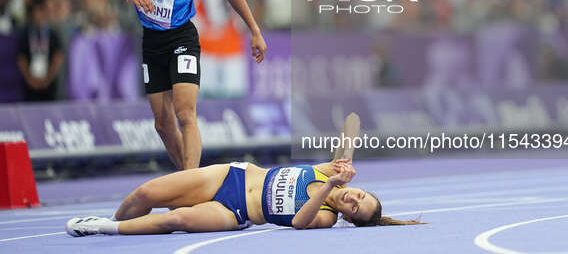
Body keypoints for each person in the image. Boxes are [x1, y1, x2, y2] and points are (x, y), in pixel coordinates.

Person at [88, 0, 266, 170]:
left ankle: (192, 182)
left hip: (182, 38)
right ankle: (188, 179)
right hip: (152, 42)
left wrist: (254, 29)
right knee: (162, 123)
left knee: (185, 113)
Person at [66, 114, 424, 236]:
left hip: (236, 212)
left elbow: (298, 223)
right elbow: (352, 120)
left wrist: (330, 184)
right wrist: (345, 159)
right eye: (361, 195)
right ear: (358, 187)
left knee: (175, 219)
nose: (354, 199)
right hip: (231, 177)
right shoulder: (336, 171)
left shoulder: (325, 218)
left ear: (348, 217)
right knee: (145, 194)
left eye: (356, 208)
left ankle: (101, 226)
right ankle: (113, 223)